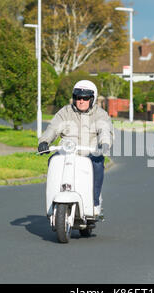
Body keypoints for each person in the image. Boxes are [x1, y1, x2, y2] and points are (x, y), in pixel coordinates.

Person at [38, 80, 113, 215]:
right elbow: (53, 128)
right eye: (78, 98)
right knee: (53, 161)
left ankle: (95, 202)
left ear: (92, 99)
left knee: (97, 165)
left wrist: (104, 144)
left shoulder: (100, 114)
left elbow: (105, 130)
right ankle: (54, 198)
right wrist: (44, 141)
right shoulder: (65, 112)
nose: (81, 101)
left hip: (90, 153)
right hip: (66, 153)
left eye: (85, 98)